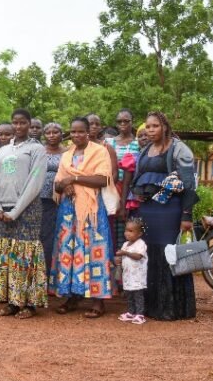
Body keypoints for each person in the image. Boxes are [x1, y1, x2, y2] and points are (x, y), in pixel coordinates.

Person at [132, 111, 197, 320]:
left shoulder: (179, 149)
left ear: (165, 127)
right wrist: (139, 194)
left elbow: (188, 184)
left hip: (171, 210)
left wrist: (186, 216)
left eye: (155, 126)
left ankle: (173, 308)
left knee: (170, 255)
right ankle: (152, 307)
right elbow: (138, 177)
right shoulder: (145, 150)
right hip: (149, 211)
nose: (150, 130)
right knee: (151, 254)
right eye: (148, 127)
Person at [52, 117, 117, 319]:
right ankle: (73, 296)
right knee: (69, 251)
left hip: (92, 210)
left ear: (89, 132)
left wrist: (75, 179)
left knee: (94, 250)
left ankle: (98, 300)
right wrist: (65, 185)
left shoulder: (99, 151)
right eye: (73, 131)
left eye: (81, 131)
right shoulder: (67, 155)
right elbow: (57, 184)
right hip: (68, 211)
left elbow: (104, 179)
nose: (76, 135)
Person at [0, 109, 47, 318]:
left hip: (27, 209)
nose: (19, 126)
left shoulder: (37, 149)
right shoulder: (3, 151)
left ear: (29, 124)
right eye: (16, 122)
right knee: (7, 254)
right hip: (2, 209)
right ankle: (12, 301)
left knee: (25, 255)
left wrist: (15, 212)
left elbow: (35, 182)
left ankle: (28, 303)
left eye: (23, 123)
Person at [107, 109, 141, 247]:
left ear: (132, 122)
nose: (122, 124)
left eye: (126, 121)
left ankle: (127, 255)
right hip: (112, 187)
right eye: (119, 121)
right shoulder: (109, 142)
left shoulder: (138, 143)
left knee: (128, 224)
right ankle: (113, 257)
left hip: (131, 189)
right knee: (111, 224)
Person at [39, 122, 65, 280]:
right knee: (42, 235)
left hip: (59, 199)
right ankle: (42, 274)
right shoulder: (39, 151)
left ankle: (54, 274)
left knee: (56, 236)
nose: (51, 135)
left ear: (62, 134)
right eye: (48, 132)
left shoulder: (68, 152)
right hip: (39, 198)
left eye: (55, 132)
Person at [116, 217, 148, 324]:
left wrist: (125, 253)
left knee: (138, 296)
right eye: (126, 230)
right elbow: (124, 258)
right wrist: (118, 260)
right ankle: (131, 312)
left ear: (139, 234)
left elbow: (138, 256)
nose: (127, 233)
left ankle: (140, 314)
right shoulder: (125, 244)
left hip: (138, 276)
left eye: (131, 231)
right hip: (128, 276)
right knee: (129, 295)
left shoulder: (141, 244)